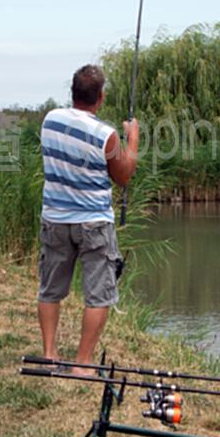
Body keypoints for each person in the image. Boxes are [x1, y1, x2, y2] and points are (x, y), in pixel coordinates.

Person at [37, 64, 139, 375]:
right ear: (101, 97)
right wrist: (132, 139)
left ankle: (49, 354)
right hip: (94, 223)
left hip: (55, 219)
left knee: (50, 289)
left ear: (72, 92)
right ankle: (82, 364)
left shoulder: (51, 120)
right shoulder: (106, 135)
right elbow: (123, 175)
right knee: (98, 295)